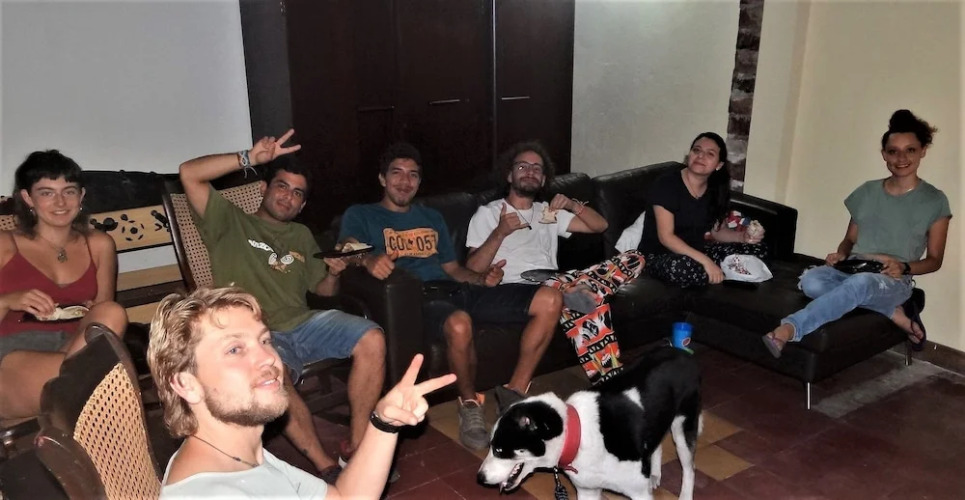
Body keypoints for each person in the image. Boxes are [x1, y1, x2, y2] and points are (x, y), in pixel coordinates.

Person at [178, 130, 386, 479]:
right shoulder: (228, 221)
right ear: (264, 188)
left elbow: (322, 291)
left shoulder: (301, 236)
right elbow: (188, 173)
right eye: (282, 186)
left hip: (304, 322)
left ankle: (358, 445)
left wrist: (333, 272)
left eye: (297, 193)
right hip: (254, 333)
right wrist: (249, 157)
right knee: (275, 374)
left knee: (373, 337)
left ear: (302, 205)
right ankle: (325, 466)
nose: (288, 197)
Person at [338, 142, 563, 451]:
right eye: (397, 173)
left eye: (413, 175)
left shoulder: (432, 217)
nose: (405, 181)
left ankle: (514, 394)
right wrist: (367, 259)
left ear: (419, 181)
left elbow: (454, 269)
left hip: (458, 289)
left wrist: (482, 279)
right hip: (420, 298)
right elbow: (344, 247)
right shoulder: (363, 214)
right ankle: (469, 404)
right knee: (459, 323)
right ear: (382, 178)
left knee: (550, 299)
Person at [148, 287, 455, 498]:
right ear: (186, 384)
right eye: (234, 349)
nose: (268, 358)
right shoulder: (211, 494)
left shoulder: (243, 456)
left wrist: (383, 423)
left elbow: (345, 497)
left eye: (265, 341)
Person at [763, 110, 951, 357]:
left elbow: (935, 260)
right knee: (811, 281)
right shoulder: (867, 192)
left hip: (893, 279)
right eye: (893, 151)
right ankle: (890, 310)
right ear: (884, 154)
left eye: (910, 150)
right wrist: (841, 254)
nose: (901, 158)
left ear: (923, 151)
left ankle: (789, 329)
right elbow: (850, 239)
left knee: (861, 284)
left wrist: (904, 267)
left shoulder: (935, 200)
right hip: (853, 268)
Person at [465, 141, 645, 384]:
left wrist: (572, 204)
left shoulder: (547, 212)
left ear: (543, 180)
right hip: (518, 287)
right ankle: (610, 380)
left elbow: (600, 225)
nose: (530, 171)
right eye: (522, 166)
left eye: (537, 168)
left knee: (634, 258)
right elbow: (473, 269)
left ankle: (576, 290)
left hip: (554, 280)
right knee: (589, 302)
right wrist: (499, 232)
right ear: (509, 175)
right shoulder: (488, 213)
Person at [0, 150, 128, 420]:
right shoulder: (4, 244)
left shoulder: (99, 244)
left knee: (111, 312)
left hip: (76, 347)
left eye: (69, 191)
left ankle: (81, 397)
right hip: (14, 356)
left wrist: (91, 310)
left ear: (81, 196)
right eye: (47, 192)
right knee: (95, 378)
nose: (60, 202)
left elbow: (101, 324)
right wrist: (7, 301)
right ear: (27, 198)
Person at [638, 132, 766, 287]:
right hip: (660, 256)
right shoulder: (667, 184)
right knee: (683, 267)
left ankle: (718, 271)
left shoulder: (715, 189)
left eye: (710, 154)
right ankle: (720, 270)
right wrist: (706, 261)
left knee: (758, 249)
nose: (700, 156)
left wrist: (742, 236)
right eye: (696, 150)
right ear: (689, 155)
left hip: (697, 253)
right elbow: (666, 237)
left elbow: (717, 232)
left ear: (719, 165)